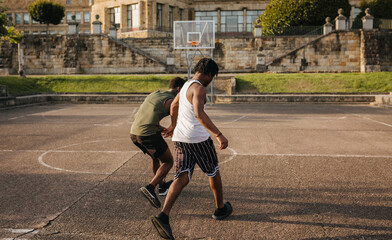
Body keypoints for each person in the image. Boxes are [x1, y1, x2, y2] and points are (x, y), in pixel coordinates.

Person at [150, 58, 232, 239]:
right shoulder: (200, 88)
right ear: (210, 74)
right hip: (198, 140)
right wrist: (218, 135)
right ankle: (220, 209)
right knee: (213, 171)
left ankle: (164, 215)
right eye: (213, 77)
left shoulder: (186, 85)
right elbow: (199, 113)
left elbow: (174, 105)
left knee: (182, 176)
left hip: (180, 139)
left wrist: (173, 125)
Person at [130, 77, 186, 209]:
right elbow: (174, 112)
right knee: (168, 161)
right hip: (148, 134)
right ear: (179, 89)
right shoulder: (172, 100)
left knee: (155, 157)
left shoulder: (156, 93)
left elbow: (141, 115)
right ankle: (150, 187)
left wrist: (161, 128)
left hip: (134, 132)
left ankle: (162, 186)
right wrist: (173, 127)